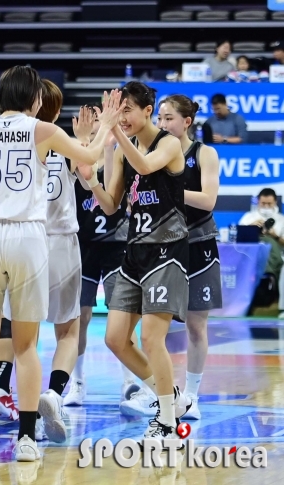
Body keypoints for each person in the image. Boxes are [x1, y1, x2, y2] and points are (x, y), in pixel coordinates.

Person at [0, 67, 123, 461]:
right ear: (36, 100)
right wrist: (106, 124)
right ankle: (27, 438)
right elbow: (92, 156)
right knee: (27, 345)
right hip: (26, 236)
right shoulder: (41, 130)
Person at [79, 81, 192, 445]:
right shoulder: (121, 150)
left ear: (147, 111)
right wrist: (91, 180)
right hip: (134, 254)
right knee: (115, 339)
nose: (121, 116)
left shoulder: (168, 144)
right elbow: (111, 206)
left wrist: (111, 131)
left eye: (127, 109)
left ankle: (168, 421)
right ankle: (170, 398)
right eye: (117, 109)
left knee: (151, 338)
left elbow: (144, 163)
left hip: (167, 253)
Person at [65, 104, 139, 409]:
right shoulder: (74, 150)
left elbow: (109, 190)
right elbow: (84, 180)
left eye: (98, 118)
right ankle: (77, 384)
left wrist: (107, 148)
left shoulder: (118, 150)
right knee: (78, 318)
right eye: (89, 119)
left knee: (120, 316)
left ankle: (129, 381)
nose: (94, 122)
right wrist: (84, 143)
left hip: (115, 243)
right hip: (81, 245)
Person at [158, 94, 222, 420]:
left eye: (169, 118)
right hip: (164, 245)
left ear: (186, 122)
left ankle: (192, 396)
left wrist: (170, 192)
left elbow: (209, 199)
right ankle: (162, 394)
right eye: (159, 117)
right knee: (154, 327)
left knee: (196, 326)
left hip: (199, 243)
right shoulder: (153, 154)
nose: (162, 124)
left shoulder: (204, 153)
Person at [238, 188, 284, 312]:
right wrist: (251, 227)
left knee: (268, 243)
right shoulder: (248, 217)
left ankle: (267, 284)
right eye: (263, 203)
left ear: (275, 202)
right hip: (251, 255)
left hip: (275, 256)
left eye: (269, 204)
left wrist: (275, 235)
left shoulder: (281, 219)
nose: (266, 206)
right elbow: (237, 238)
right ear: (258, 202)